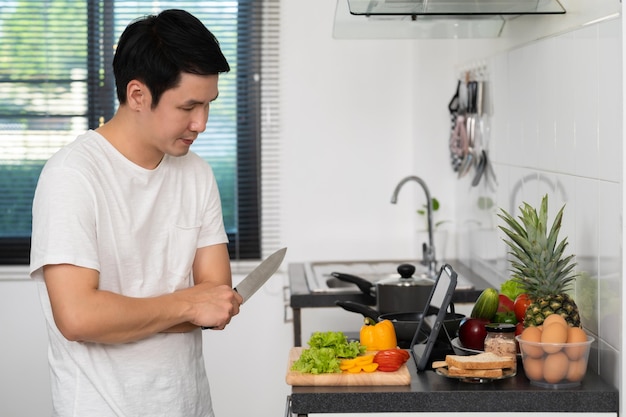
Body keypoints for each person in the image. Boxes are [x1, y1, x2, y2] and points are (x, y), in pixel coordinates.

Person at [29, 9, 243, 417]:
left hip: (190, 406)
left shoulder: (195, 173)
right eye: (188, 106)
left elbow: (215, 301)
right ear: (138, 95)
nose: (201, 123)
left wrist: (124, 315)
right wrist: (185, 305)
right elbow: (77, 317)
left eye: (208, 105)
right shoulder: (72, 176)